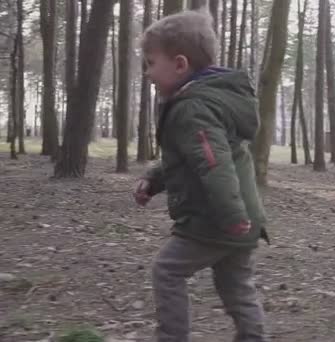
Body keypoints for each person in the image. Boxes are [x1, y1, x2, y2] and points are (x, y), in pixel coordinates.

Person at [133, 9, 268, 342]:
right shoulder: (213, 100)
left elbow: (213, 164)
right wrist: (153, 179)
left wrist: (231, 217)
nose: (147, 73)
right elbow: (193, 157)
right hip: (243, 218)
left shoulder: (193, 107)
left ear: (180, 64)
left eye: (151, 63)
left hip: (216, 219)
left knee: (167, 271)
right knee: (236, 286)